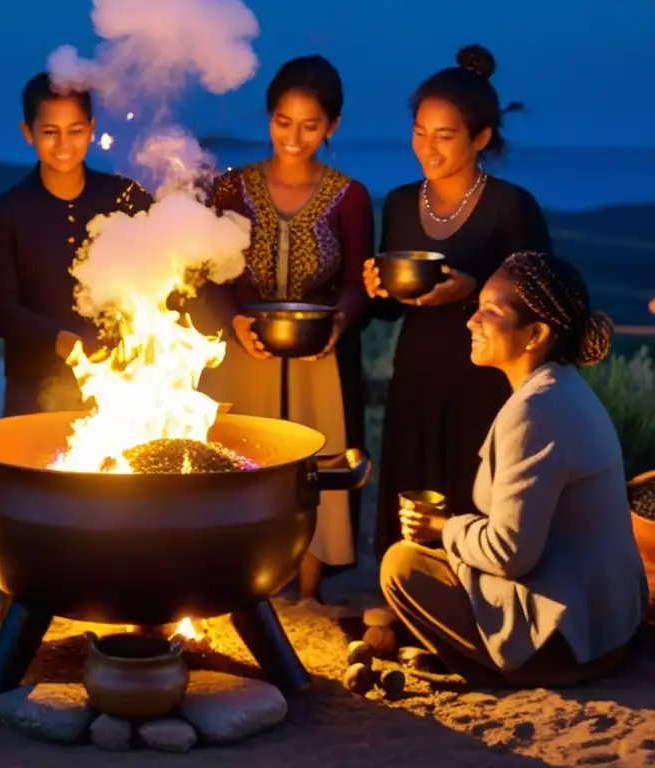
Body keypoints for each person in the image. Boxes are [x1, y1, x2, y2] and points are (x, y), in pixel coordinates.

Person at [380, 251, 647, 687]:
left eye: (491, 311)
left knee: (403, 565)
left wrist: (444, 527)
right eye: (477, 307)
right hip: (603, 626)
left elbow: (509, 554)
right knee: (442, 558)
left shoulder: (536, 411)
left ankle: (497, 671)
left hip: (569, 642)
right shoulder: (560, 389)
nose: (471, 321)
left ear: (536, 333)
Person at [365, 45, 553, 561]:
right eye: (420, 131)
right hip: (417, 372)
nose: (428, 146)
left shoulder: (511, 207)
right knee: (410, 483)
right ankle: (398, 600)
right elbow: (389, 310)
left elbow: (543, 300)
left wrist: (472, 289)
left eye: (445, 135)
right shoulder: (403, 202)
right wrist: (376, 288)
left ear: (481, 138)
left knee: (473, 490)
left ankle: (470, 603)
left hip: (484, 381)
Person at [199, 55, 374, 603]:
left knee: (311, 468)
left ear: (333, 127)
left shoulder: (349, 196)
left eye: (310, 124)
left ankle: (307, 593)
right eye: (283, 121)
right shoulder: (232, 189)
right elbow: (211, 276)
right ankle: (240, 587)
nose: (294, 136)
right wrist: (235, 324)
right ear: (268, 117)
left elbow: (356, 280)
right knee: (239, 464)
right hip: (242, 352)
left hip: (316, 357)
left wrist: (338, 322)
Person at [0, 72, 152, 417]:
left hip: (121, 383)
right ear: (28, 133)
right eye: (49, 132)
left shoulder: (124, 198)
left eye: (75, 130)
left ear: (91, 129)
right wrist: (56, 339)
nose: (63, 144)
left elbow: (160, 275)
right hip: (34, 387)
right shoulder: (6, 211)